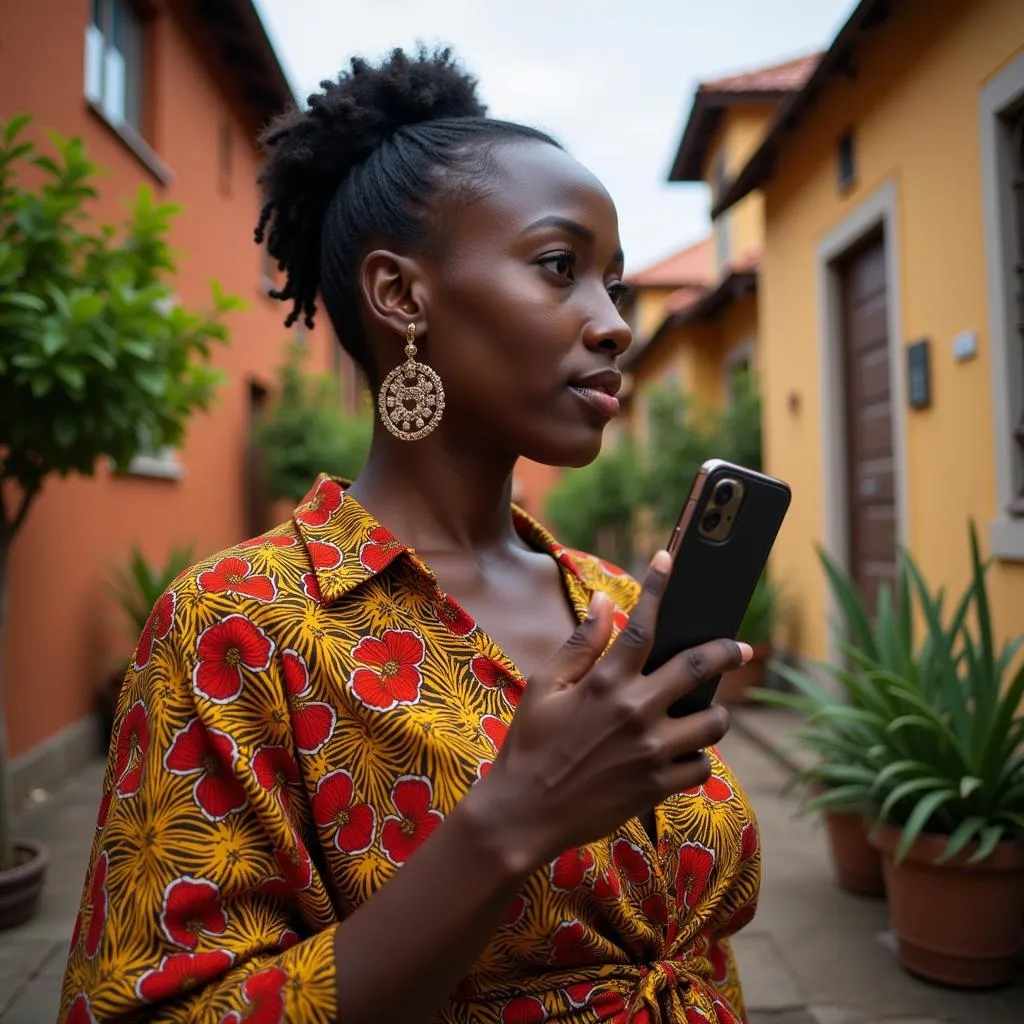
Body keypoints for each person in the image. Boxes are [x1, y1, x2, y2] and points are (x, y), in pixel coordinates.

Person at [59, 46, 761, 1024]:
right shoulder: (237, 629)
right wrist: (513, 819)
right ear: (400, 294)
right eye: (561, 267)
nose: (612, 325)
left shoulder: (605, 605)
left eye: (612, 280)